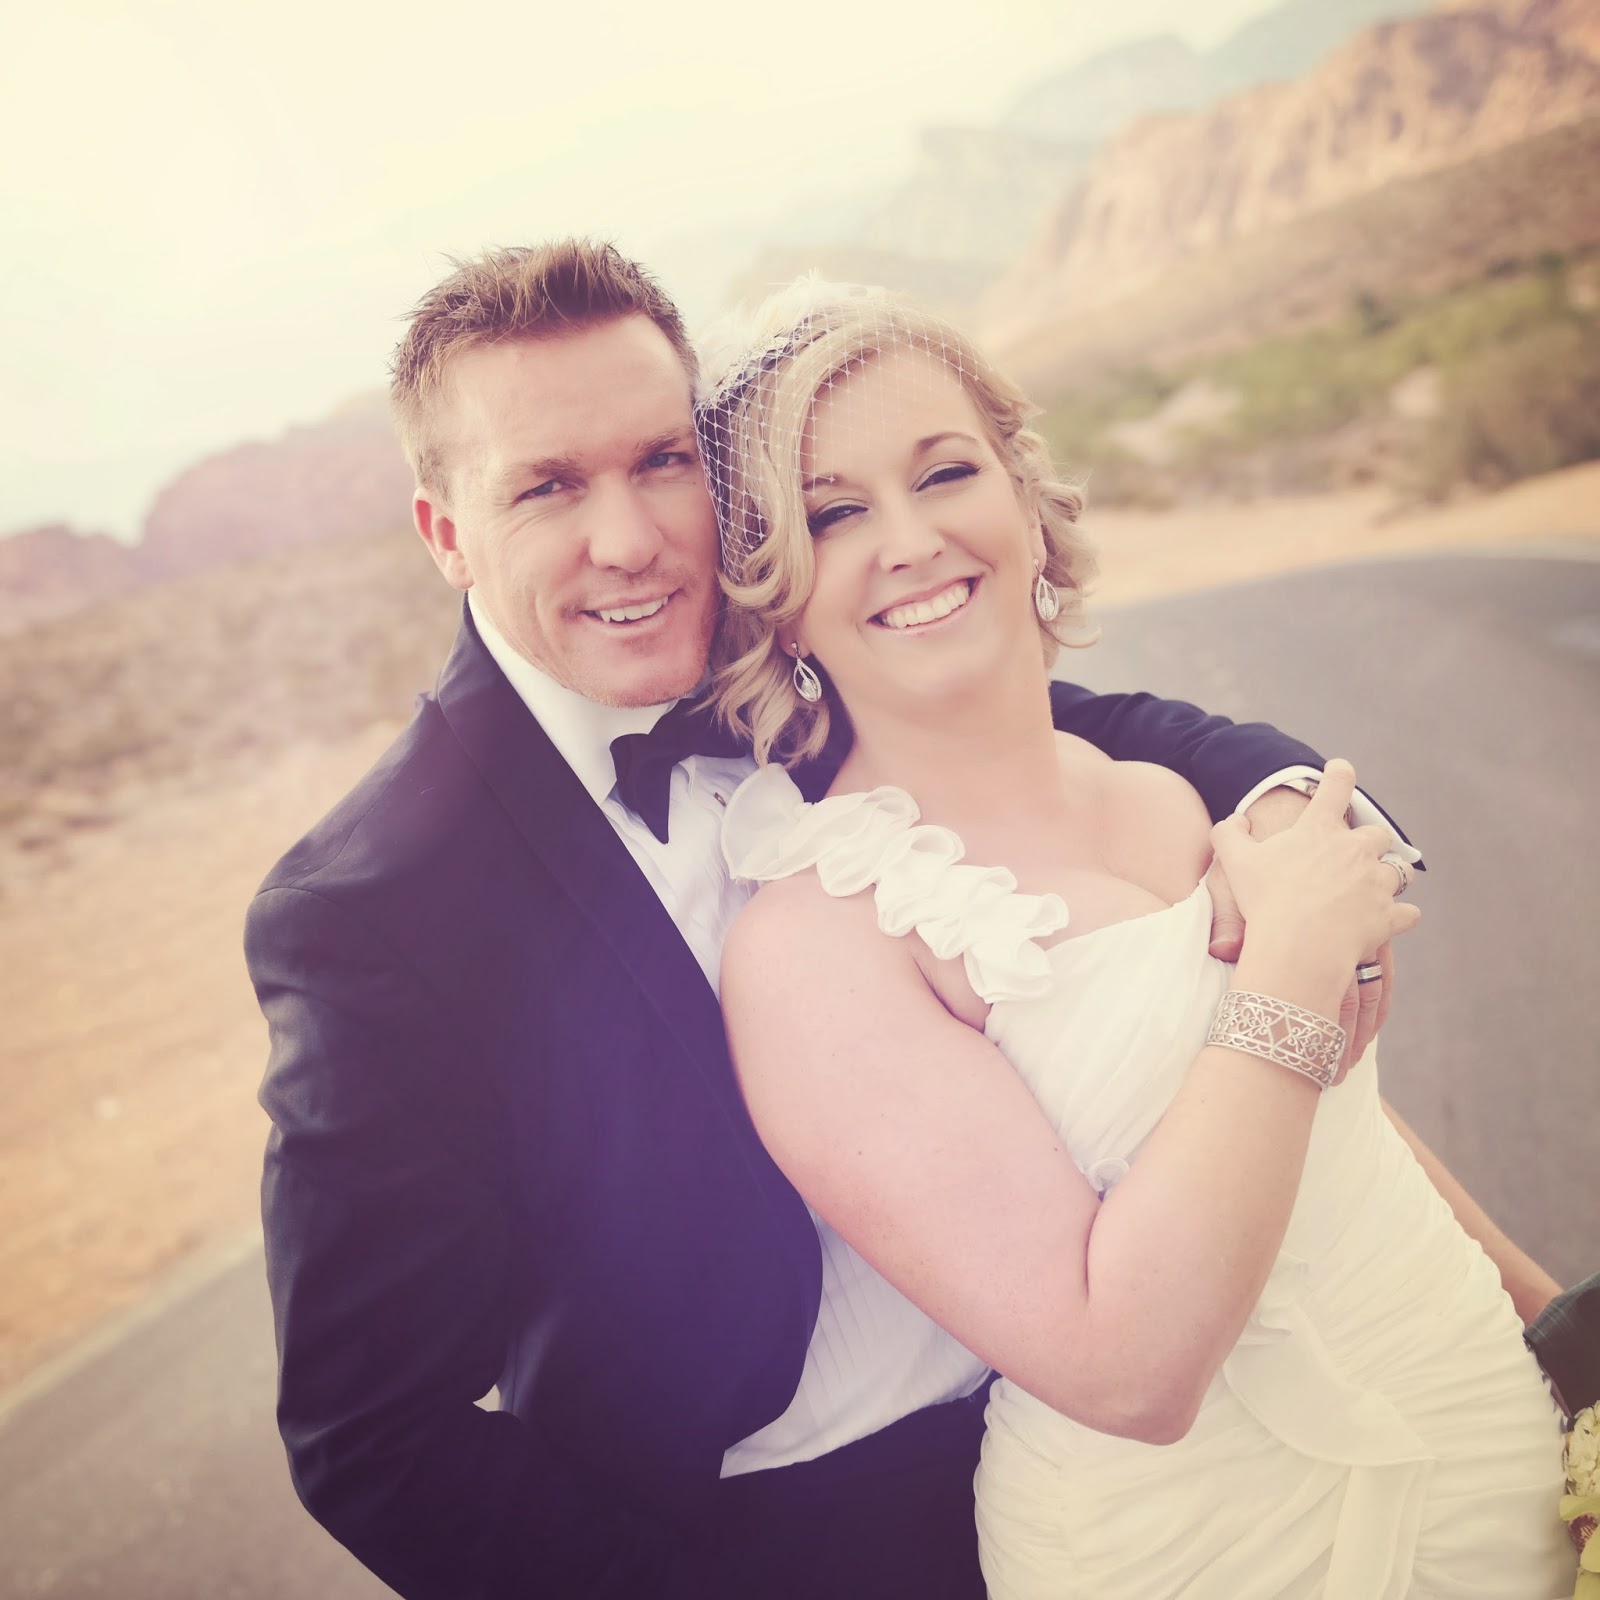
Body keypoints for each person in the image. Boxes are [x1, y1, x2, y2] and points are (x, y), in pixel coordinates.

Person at [249, 240, 1425, 1600]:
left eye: (660, 461)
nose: (627, 539)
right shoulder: (373, 909)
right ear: (446, 531)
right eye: (547, 486)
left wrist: (1286, 821)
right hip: (789, 1537)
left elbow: (1079, 730)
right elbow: (369, 1439)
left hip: (1096, 1439)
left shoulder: (775, 660)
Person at [704, 280, 1575, 1596]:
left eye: (945, 474)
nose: (911, 540)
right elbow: (1127, 1369)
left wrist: (1556, 1327)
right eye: (833, 514)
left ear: (1024, 499)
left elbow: (1333, 1133)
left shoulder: (1172, 796)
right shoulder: (816, 949)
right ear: (774, 594)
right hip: (1209, 1541)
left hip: (1474, 1413)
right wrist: (1293, 959)